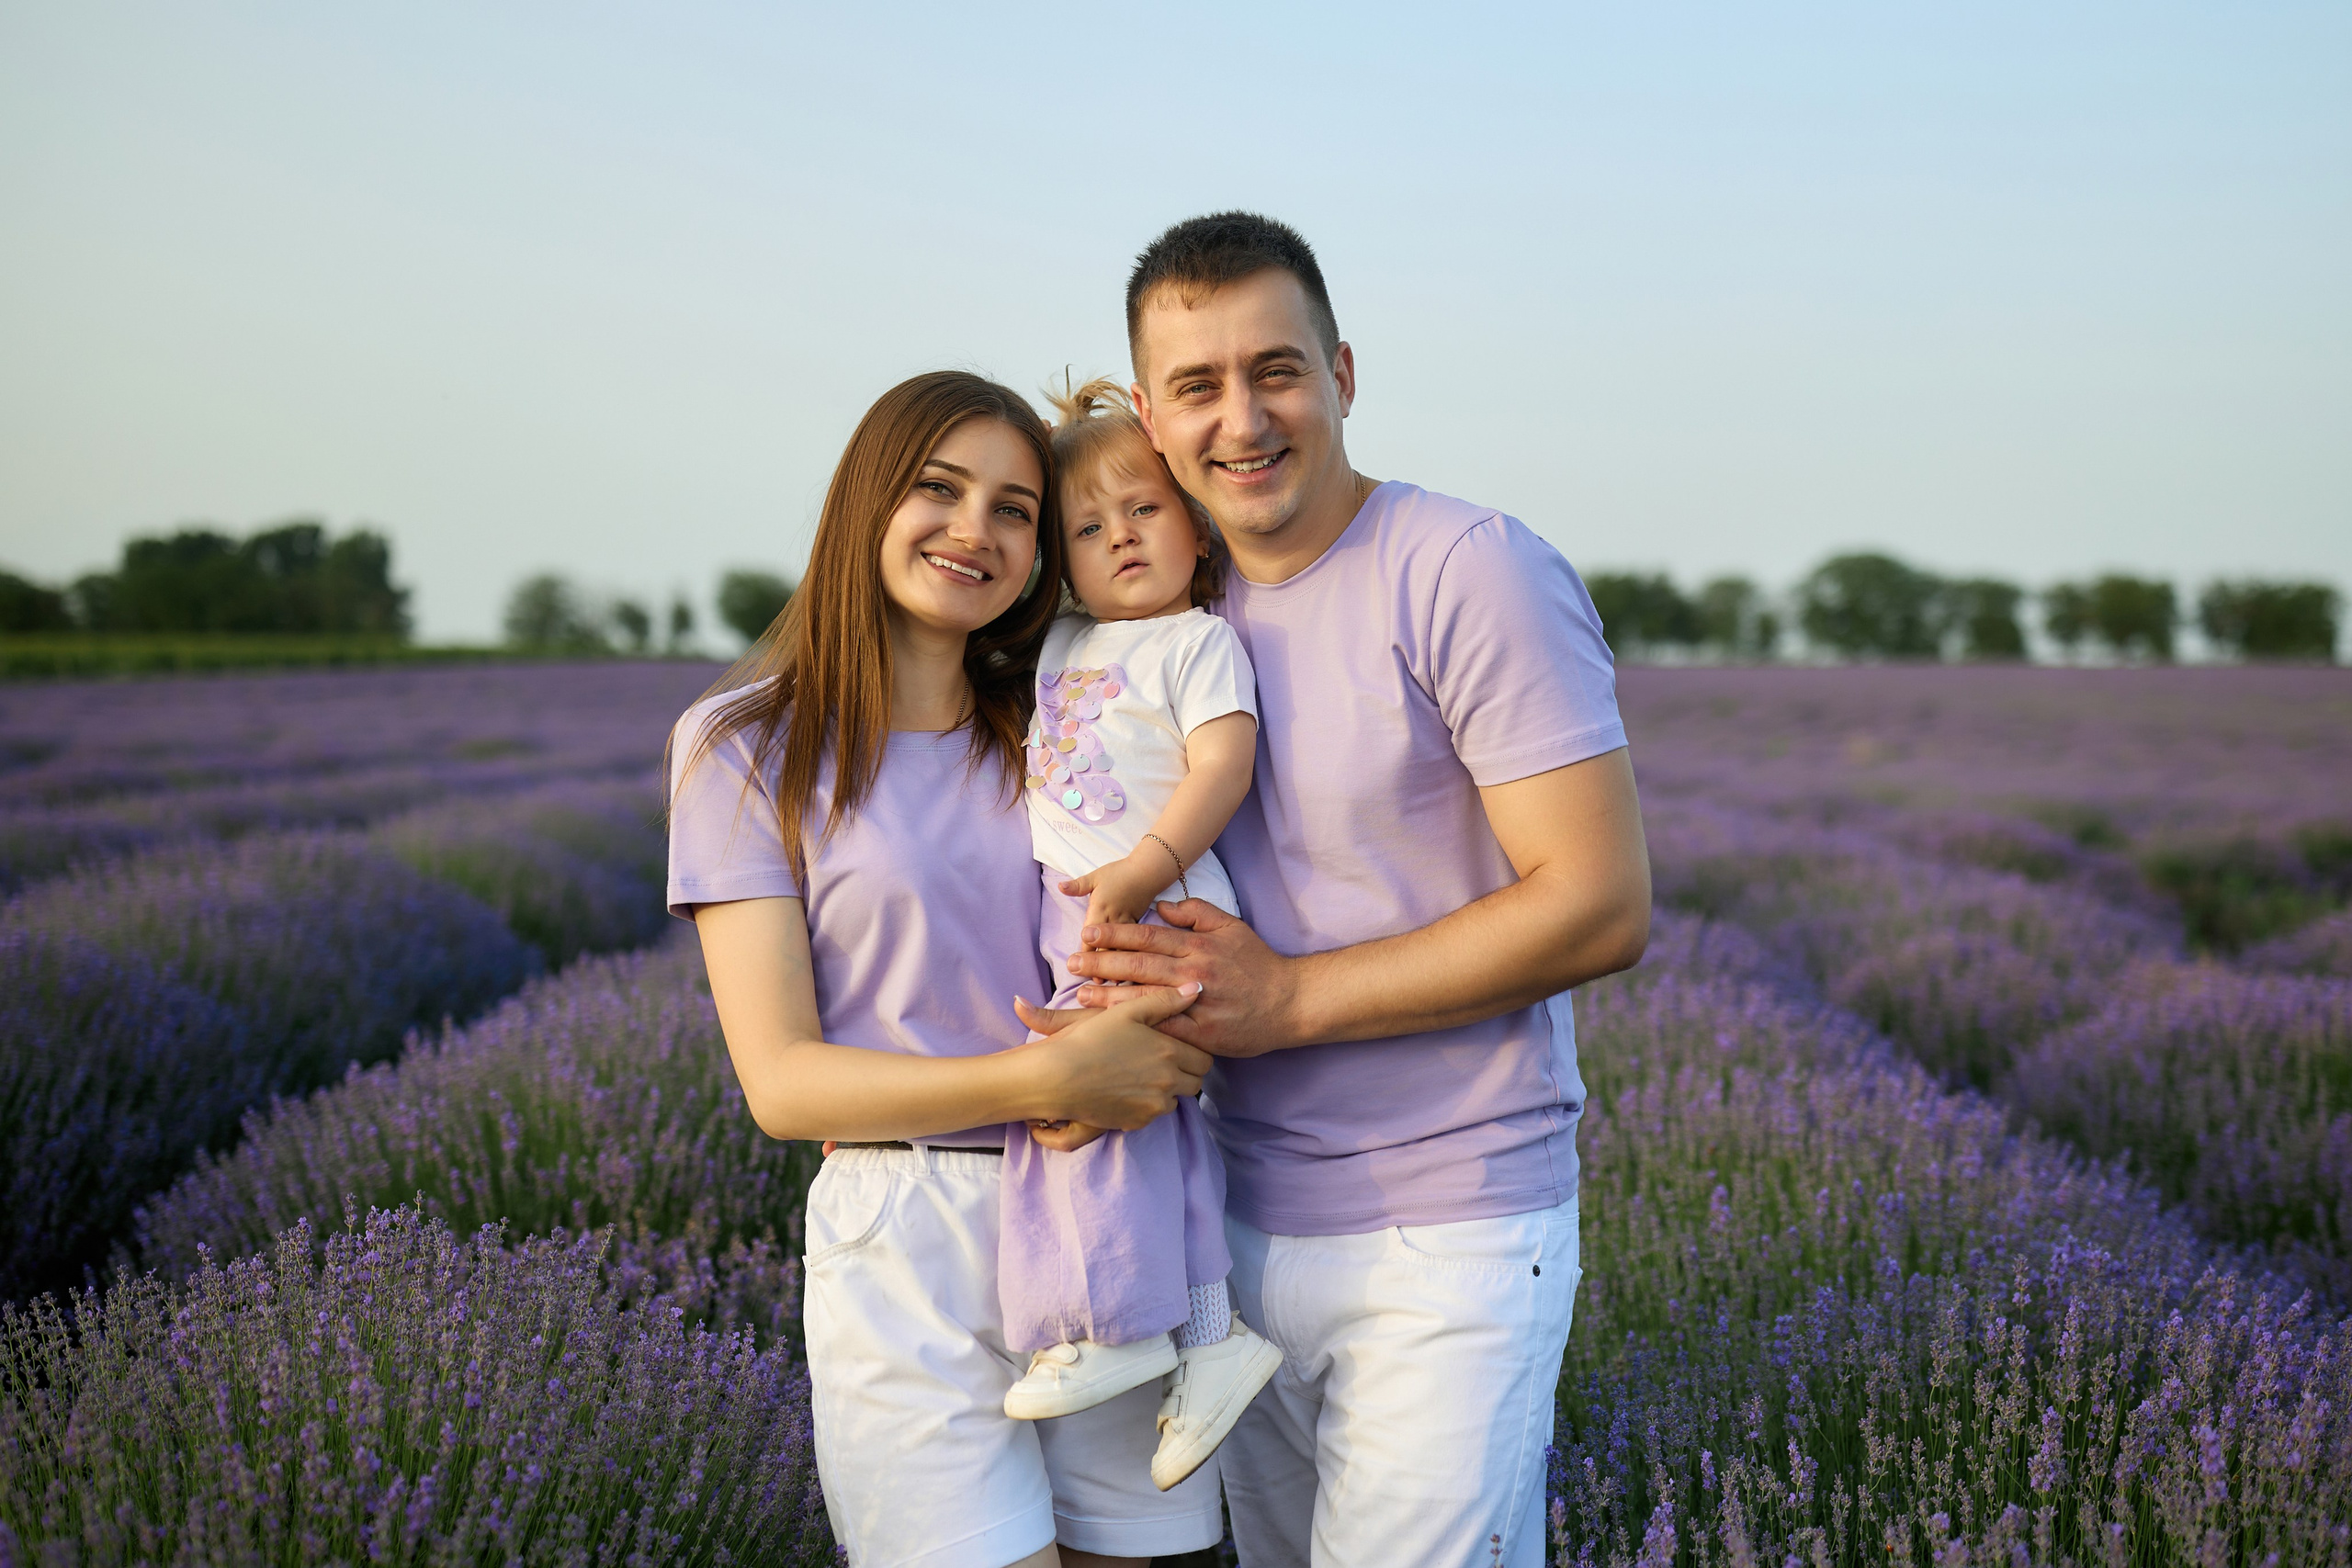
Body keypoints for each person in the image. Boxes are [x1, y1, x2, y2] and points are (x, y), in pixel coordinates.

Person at [1028, 215, 1653, 1566]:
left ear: (1345, 373)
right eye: (1196, 386)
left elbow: (1600, 901)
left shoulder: (1466, 564)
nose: (1242, 418)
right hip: (1230, 1233)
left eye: (1279, 370)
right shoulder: (1162, 611)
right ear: (1150, 411)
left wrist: (1291, 996)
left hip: (1449, 1224)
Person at [666, 370, 1228, 1568]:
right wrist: (1050, 1076)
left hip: (1109, 1207)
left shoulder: (1058, 715)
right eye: (938, 488)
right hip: (906, 1235)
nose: (976, 529)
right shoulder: (747, 742)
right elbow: (784, 1084)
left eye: (1018, 508)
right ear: (867, 498)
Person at [995, 377, 1283, 1492]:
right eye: (1086, 526)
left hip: (1164, 915)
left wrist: (1146, 868)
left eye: (1144, 510)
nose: (1119, 536)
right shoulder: (1064, 639)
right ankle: (1207, 1338)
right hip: (1098, 929)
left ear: (1195, 528)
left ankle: (1114, 1324)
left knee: (1085, 1108)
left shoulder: (1192, 642)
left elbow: (1224, 764)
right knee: (1139, 1128)